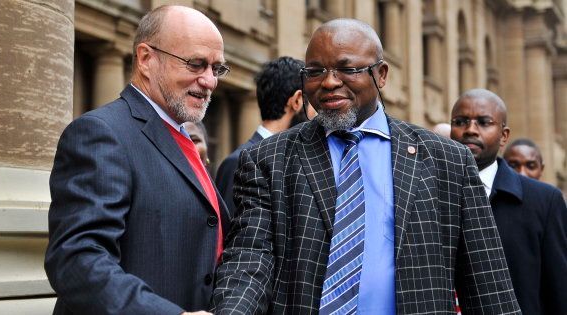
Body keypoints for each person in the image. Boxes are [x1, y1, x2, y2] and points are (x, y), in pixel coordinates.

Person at [212, 18, 520, 314]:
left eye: (347, 69)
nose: (330, 82)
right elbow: (250, 260)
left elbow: (487, 285)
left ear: (381, 74)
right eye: (316, 71)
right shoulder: (268, 159)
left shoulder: (447, 161)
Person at [45, 5, 231, 315]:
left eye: (217, 68)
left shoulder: (180, 136)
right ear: (146, 59)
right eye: (196, 64)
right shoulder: (101, 133)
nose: (209, 81)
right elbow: (77, 261)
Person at [450, 88, 567, 315]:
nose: (470, 130)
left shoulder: (544, 201)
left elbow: (559, 292)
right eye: (461, 121)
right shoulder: (428, 192)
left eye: (484, 122)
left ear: (504, 135)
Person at [215, 56, 307, 212]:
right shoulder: (237, 162)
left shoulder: (293, 160)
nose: (315, 114)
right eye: (312, 102)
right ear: (297, 101)